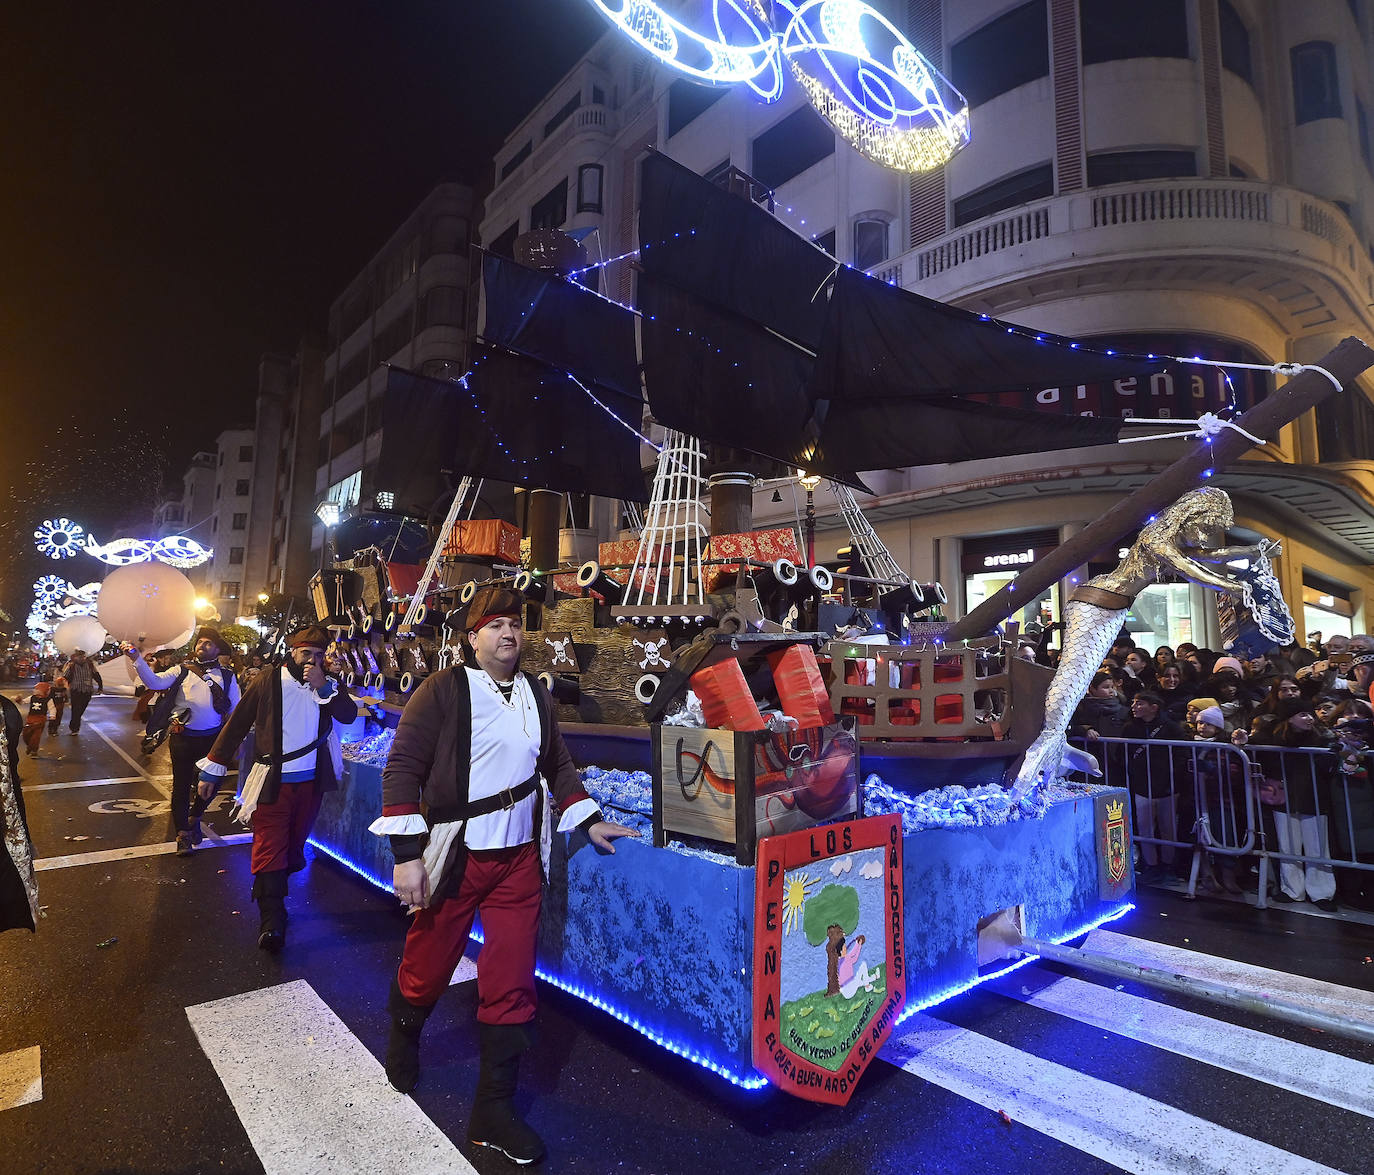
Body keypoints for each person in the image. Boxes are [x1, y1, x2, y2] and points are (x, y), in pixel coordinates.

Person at [371, 586, 637, 1165]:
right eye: (494, 625)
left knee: (512, 978)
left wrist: (588, 819)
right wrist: (408, 854)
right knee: (429, 958)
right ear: (472, 637)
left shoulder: (536, 697)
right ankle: (405, 1034)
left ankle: (493, 1109)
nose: (508, 634)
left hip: (519, 860)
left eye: (514, 624)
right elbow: (403, 768)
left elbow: (557, 765)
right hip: (459, 852)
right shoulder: (441, 690)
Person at [196, 624, 357, 951]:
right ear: (293, 651)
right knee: (270, 845)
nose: (311, 660)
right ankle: (272, 918)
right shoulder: (269, 680)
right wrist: (213, 769)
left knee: (295, 845)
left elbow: (349, 715)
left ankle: (276, 896)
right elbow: (238, 722)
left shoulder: (327, 684)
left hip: (311, 783)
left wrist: (324, 686)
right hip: (272, 782)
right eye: (305, 653)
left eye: (317, 654)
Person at [126, 629, 241, 855]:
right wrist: (136, 659)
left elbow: (236, 709)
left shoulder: (228, 676)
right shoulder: (181, 670)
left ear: (218, 650)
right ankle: (183, 835)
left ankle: (196, 815)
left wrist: (236, 738)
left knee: (211, 785)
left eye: (209, 643)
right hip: (182, 738)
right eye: (200, 642)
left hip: (212, 741)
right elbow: (155, 682)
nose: (203, 645)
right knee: (180, 786)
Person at [1123, 690, 1189, 881]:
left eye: (1140, 703)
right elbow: (1123, 754)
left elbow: (1180, 754)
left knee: (1168, 827)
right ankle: (1151, 864)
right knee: (1145, 827)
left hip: (1167, 785)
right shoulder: (1130, 728)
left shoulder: (1171, 728)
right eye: (1134, 702)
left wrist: (1172, 776)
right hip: (1143, 784)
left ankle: (1168, 863)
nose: (1134, 706)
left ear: (1154, 707)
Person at [60, 648, 103, 733]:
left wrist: (100, 686)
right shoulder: (71, 666)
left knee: (82, 708)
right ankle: (74, 728)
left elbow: (96, 675)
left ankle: (74, 723)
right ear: (76, 657)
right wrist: (63, 688)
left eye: (83, 657)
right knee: (75, 708)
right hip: (76, 690)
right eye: (79, 657)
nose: (81, 658)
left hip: (87, 690)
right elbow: (65, 677)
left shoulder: (90, 665)